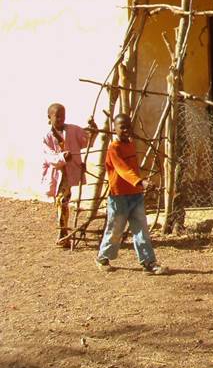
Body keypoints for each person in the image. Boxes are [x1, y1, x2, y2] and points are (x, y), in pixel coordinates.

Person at [94, 113, 165, 274]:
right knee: (115, 230)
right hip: (119, 197)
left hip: (136, 195)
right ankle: (103, 257)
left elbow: (133, 169)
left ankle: (148, 263)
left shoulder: (131, 144)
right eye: (122, 127)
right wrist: (140, 182)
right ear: (114, 129)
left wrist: (141, 185)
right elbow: (123, 170)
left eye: (128, 127)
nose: (126, 130)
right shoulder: (114, 148)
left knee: (141, 230)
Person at [42, 103, 97, 246]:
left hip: (70, 172)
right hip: (57, 173)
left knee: (62, 201)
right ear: (49, 117)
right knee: (61, 202)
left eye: (63, 116)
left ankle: (63, 233)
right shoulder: (47, 137)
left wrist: (93, 130)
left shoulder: (73, 130)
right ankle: (63, 231)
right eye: (57, 116)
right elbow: (49, 157)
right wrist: (62, 157)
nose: (61, 119)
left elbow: (87, 140)